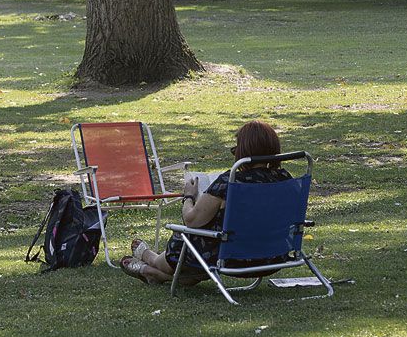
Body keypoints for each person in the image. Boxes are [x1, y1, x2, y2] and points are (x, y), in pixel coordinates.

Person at [120, 120, 292, 285]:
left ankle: (151, 259)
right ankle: (154, 275)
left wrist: (189, 197)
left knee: (187, 238)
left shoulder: (230, 182)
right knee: (191, 271)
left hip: (229, 258)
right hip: (273, 256)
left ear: (244, 152)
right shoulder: (285, 180)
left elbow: (192, 220)